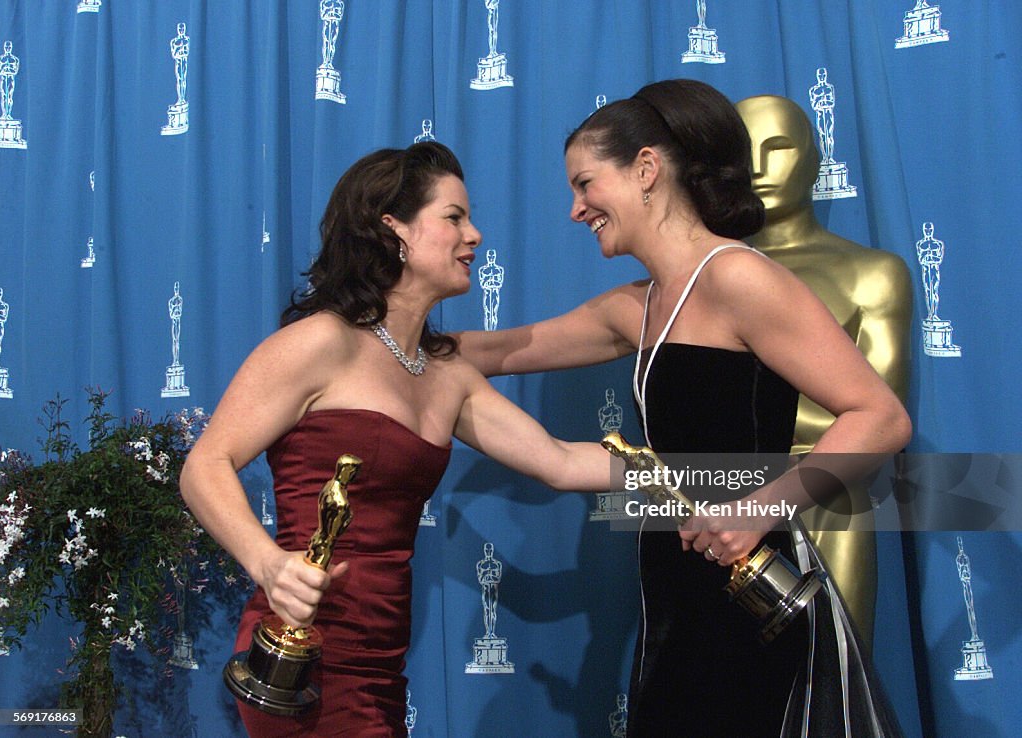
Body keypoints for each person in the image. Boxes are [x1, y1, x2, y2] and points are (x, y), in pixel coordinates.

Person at [457, 79, 911, 736]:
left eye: (585, 185)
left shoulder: (739, 278)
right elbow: (500, 350)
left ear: (646, 169)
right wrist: (383, 331)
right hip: (676, 594)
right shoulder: (635, 307)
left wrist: (760, 507)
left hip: (751, 594)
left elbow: (881, 416)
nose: (575, 209)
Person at [180, 142, 613, 737]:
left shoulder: (446, 374)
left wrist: (721, 477)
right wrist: (269, 564)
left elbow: (563, 463)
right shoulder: (321, 343)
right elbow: (205, 464)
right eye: (454, 217)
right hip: (302, 652)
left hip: (381, 663)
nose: (476, 235)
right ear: (394, 230)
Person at [735, 93, 913, 648]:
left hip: (831, 502)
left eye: (780, 148)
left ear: (814, 160)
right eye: (746, 152)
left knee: (832, 685)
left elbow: (877, 421)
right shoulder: (710, 277)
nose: (761, 168)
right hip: (721, 501)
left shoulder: (871, 274)